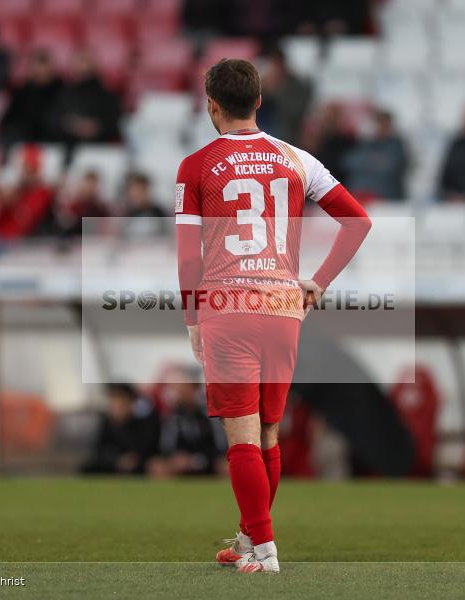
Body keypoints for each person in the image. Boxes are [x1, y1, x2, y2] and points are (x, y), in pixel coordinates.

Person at [176, 59, 371, 573]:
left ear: (211, 105)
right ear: (259, 102)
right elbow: (358, 222)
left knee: (241, 439)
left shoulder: (196, 166)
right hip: (283, 304)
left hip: (227, 304)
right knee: (267, 434)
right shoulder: (297, 159)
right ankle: (248, 538)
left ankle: (265, 552)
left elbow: (187, 256)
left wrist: (193, 319)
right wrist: (319, 282)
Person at [146, 379, 225, 478]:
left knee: (226, 465)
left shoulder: (209, 414)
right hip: (178, 461)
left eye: (186, 389)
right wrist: (174, 458)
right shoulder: (171, 417)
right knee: (157, 466)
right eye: (180, 390)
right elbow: (165, 446)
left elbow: (220, 445)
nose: (182, 394)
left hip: (208, 460)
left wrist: (196, 460)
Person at [80, 383, 160, 475]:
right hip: (114, 464)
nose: (116, 404)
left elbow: (145, 448)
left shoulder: (146, 420)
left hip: (139, 465)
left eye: (121, 400)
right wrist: (117, 460)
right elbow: (99, 450)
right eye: (114, 400)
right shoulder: (107, 422)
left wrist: (121, 425)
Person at [53, 51, 121, 148]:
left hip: (100, 148)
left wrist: (97, 127)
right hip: (67, 147)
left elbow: (115, 122)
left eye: (86, 62)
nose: (82, 67)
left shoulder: (106, 95)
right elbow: (52, 119)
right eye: (79, 62)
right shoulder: (64, 93)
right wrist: (70, 125)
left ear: (94, 66)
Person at [342, 110, 412, 201]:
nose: (382, 127)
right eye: (379, 123)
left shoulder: (397, 145)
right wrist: (372, 162)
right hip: (361, 195)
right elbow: (347, 162)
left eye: (385, 124)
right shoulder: (367, 143)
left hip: (388, 199)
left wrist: (368, 162)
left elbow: (391, 167)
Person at [0, 146, 55, 241]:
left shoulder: (44, 193)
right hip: (2, 240)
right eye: (25, 169)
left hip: (28, 244)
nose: (27, 174)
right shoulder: (13, 190)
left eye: (31, 170)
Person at [0, 50, 64, 147]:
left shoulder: (62, 89)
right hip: (25, 135)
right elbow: (8, 118)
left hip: (53, 134)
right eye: (36, 65)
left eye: (43, 65)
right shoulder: (22, 91)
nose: (40, 70)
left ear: (51, 67)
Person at [256, 47, 312, 145]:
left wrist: (277, 91)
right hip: (260, 127)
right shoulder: (260, 83)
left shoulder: (296, 84)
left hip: (284, 129)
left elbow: (294, 113)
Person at [55, 170, 111, 238]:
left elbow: (105, 230)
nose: (89, 188)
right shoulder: (73, 206)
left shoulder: (101, 209)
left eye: (93, 184)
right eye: (88, 184)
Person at [119, 173, 168, 238]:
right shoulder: (128, 213)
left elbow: (165, 234)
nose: (138, 194)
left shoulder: (158, 212)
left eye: (141, 190)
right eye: (136, 190)